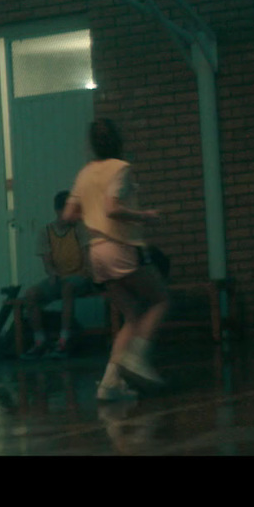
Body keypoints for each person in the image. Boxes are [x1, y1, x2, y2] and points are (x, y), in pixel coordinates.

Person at [63, 120, 170, 401]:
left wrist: (91, 216)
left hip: (95, 253)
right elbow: (112, 208)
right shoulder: (121, 168)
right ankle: (137, 357)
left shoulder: (84, 173)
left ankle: (109, 384)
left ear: (91, 144)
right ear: (118, 140)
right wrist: (144, 216)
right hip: (121, 247)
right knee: (160, 299)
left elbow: (68, 215)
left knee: (132, 315)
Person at [21, 190, 101, 359]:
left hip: (79, 277)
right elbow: (47, 263)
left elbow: (87, 256)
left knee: (68, 287)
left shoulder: (80, 229)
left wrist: (89, 274)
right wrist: (52, 273)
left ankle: (64, 339)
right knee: (30, 295)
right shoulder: (46, 232)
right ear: (59, 211)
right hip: (59, 278)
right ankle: (40, 341)